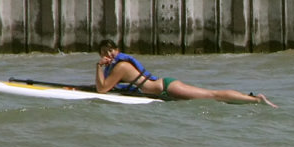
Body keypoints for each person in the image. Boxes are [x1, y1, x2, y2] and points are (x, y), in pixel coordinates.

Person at [94, 39, 277, 107]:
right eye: (104, 52)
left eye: (111, 51)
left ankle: (256, 99)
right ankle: (248, 100)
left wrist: (98, 67)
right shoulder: (116, 66)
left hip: (166, 88)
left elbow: (102, 90)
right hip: (164, 91)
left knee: (213, 96)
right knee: (215, 99)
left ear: (117, 51)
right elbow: (105, 87)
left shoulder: (120, 66)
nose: (108, 54)